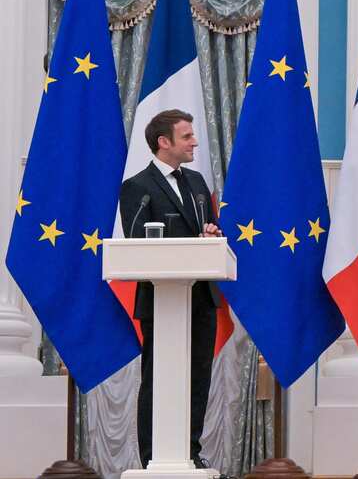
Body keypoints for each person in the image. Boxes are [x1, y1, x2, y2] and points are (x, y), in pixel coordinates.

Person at [119, 109, 223, 469]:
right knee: (157, 379)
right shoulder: (137, 186)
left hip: (201, 297)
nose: (195, 142)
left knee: (198, 379)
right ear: (164, 142)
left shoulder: (196, 182)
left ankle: (189, 454)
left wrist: (210, 235)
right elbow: (136, 241)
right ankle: (153, 457)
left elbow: (206, 229)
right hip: (162, 300)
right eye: (187, 136)